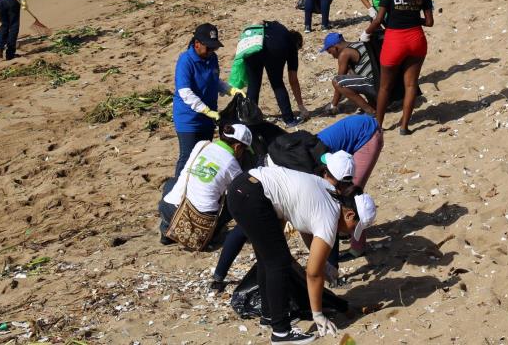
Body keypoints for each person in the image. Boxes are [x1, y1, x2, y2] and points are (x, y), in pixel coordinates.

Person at [226, 165, 376, 343]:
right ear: (350, 214)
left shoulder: (329, 191)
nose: (351, 233)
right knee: (279, 262)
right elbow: (313, 274)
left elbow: (305, 222)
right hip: (252, 196)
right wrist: (318, 314)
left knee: (267, 259)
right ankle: (281, 332)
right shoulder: (329, 217)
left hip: (243, 187)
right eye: (354, 228)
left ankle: (269, 316)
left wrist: (324, 263)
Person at [361, 0, 434, 135]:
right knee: (410, 85)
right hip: (416, 39)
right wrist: (413, 18)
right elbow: (430, 22)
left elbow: (378, 20)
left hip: (394, 40)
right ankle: (404, 127)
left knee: (385, 86)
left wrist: (366, 33)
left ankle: (378, 124)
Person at [158, 124, 253, 245]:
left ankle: (166, 229)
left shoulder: (202, 145)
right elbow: (238, 194)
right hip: (197, 224)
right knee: (234, 201)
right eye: (243, 150)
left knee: (171, 183)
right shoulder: (232, 165)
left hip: (167, 209)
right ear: (237, 147)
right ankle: (211, 236)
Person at [172, 23, 244, 179]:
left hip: (209, 118)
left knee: (204, 154)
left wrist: (230, 89)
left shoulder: (212, 58)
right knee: (187, 156)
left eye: (214, 48)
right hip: (189, 120)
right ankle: (177, 191)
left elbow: (214, 80)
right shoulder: (185, 61)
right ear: (197, 44)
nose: (212, 51)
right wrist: (205, 110)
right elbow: (185, 92)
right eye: (209, 47)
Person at [317, 115, 383, 257]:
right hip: (359, 129)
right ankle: (345, 230)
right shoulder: (310, 157)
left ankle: (357, 249)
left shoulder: (313, 159)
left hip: (367, 136)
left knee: (352, 197)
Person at [244, 21, 308, 128]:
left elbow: (260, 22)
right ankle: (289, 120)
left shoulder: (277, 25)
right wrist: (301, 106)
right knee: (277, 84)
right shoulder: (291, 46)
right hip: (275, 48)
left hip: (252, 44)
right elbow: (293, 80)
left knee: (253, 84)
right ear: (297, 44)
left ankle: (249, 120)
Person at [321, 33, 376, 115]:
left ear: (335, 48)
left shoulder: (344, 54)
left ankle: (370, 111)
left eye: (330, 52)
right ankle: (373, 104)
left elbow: (339, 81)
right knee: (352, 75)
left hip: (374, 86)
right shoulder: (359, 44)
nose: (332, 56)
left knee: (337, 81)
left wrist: (333, 105)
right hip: (382, 84)